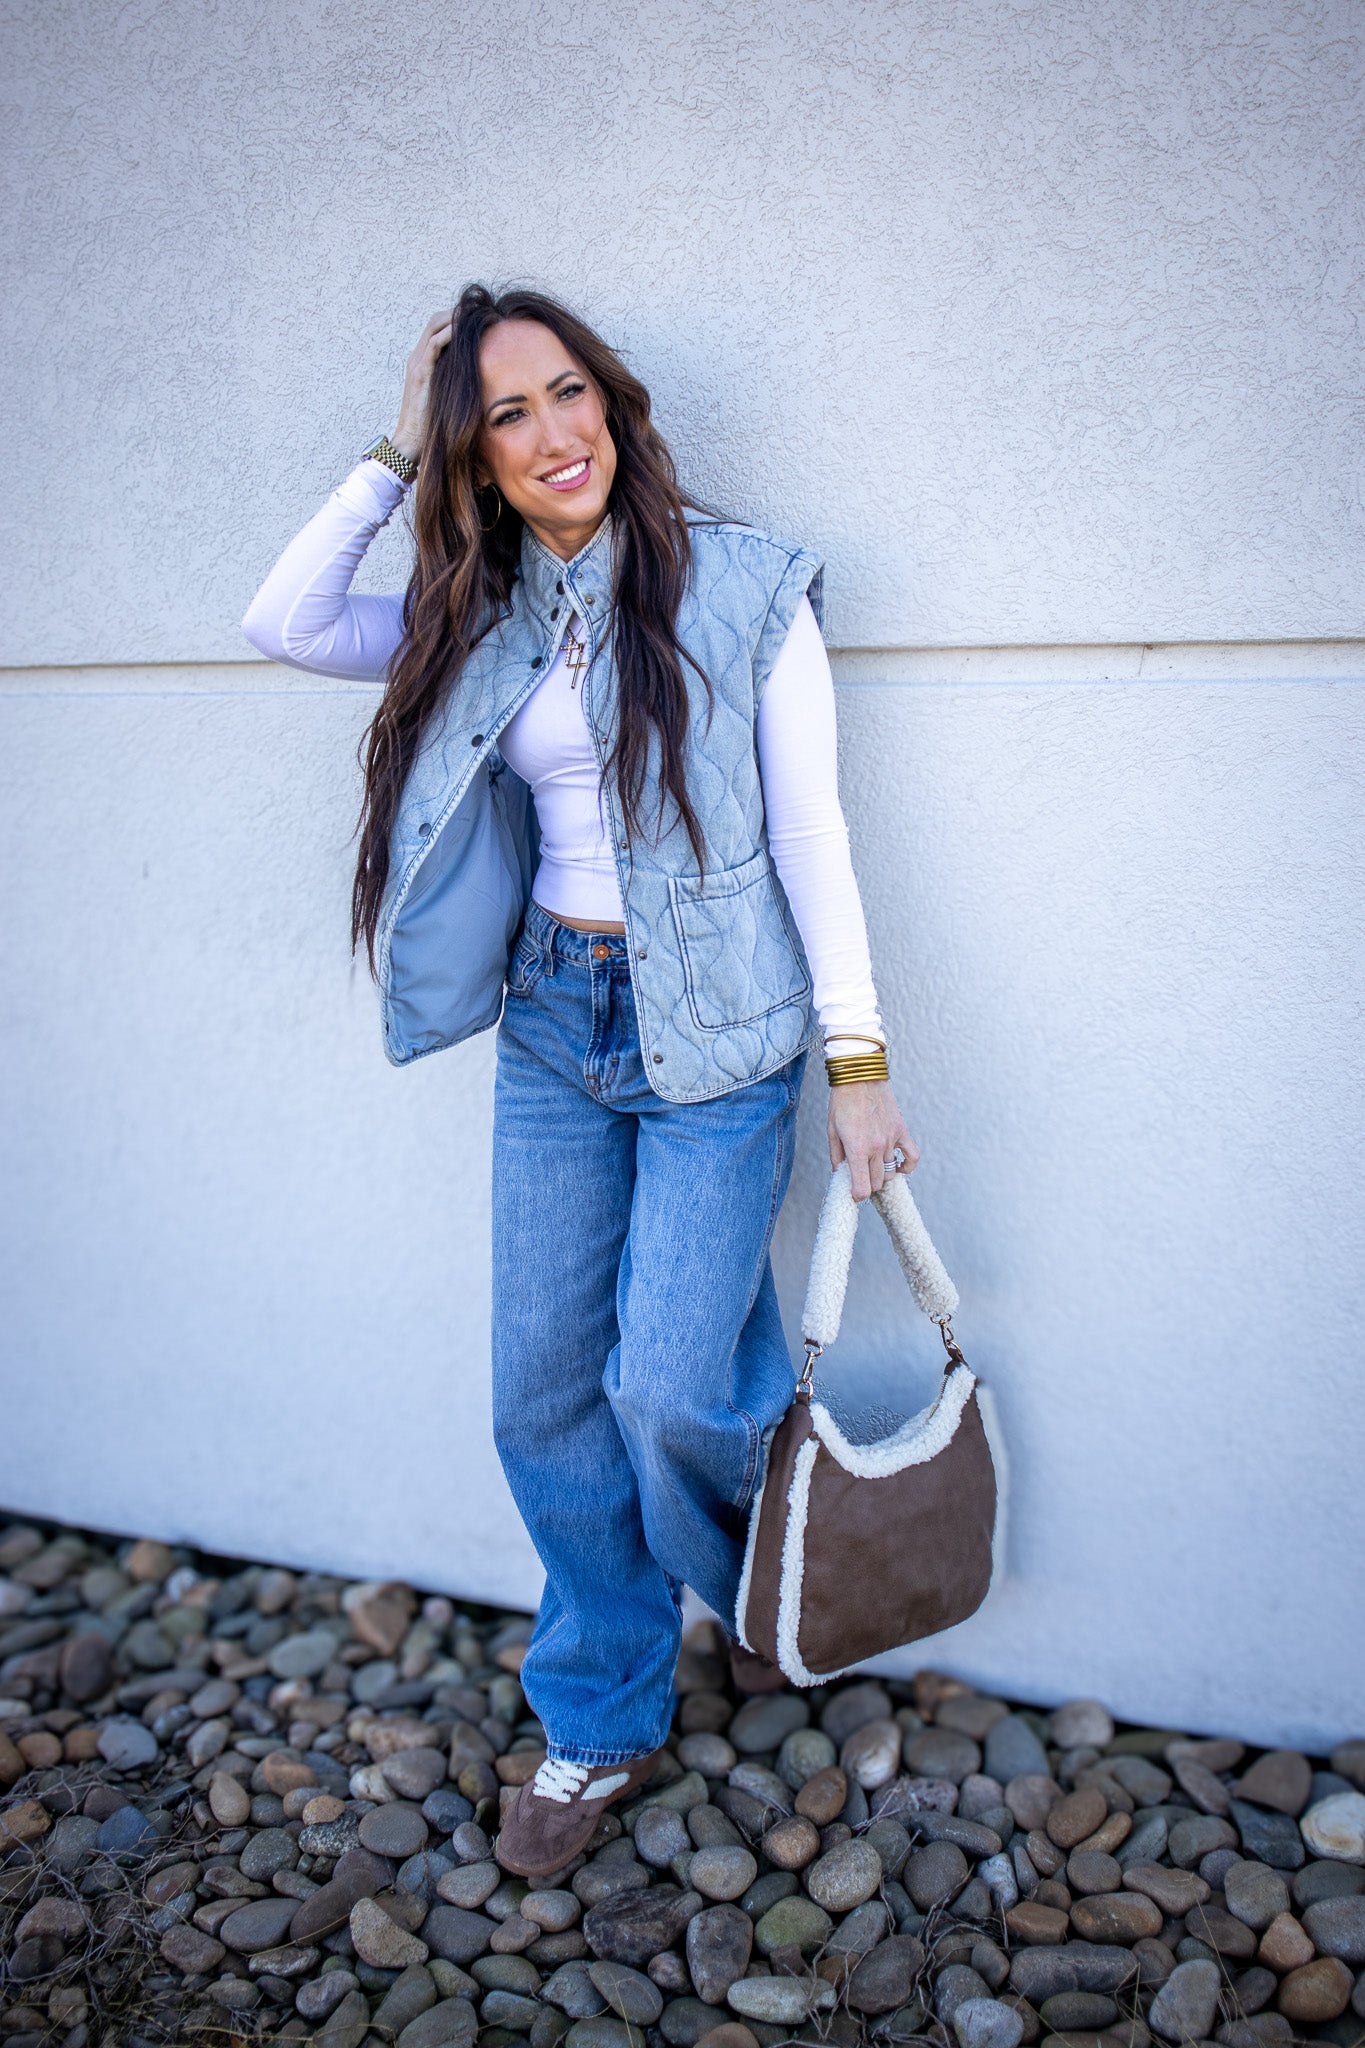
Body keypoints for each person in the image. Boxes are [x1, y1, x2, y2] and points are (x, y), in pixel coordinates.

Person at [241, 285, 919, 1877]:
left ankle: (763, 1588)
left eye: (569, 396)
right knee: (539, 1393)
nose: (553, 436)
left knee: (665, 1384)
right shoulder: (468, 605)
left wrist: (860, 1061)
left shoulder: (745, 585)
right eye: (505, 415)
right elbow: (280, 622)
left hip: (719, 1045)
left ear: (611, 402)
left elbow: (812, 838)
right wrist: (391, 455)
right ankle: (602, 1711)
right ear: (472, 453)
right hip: (555, 1023)